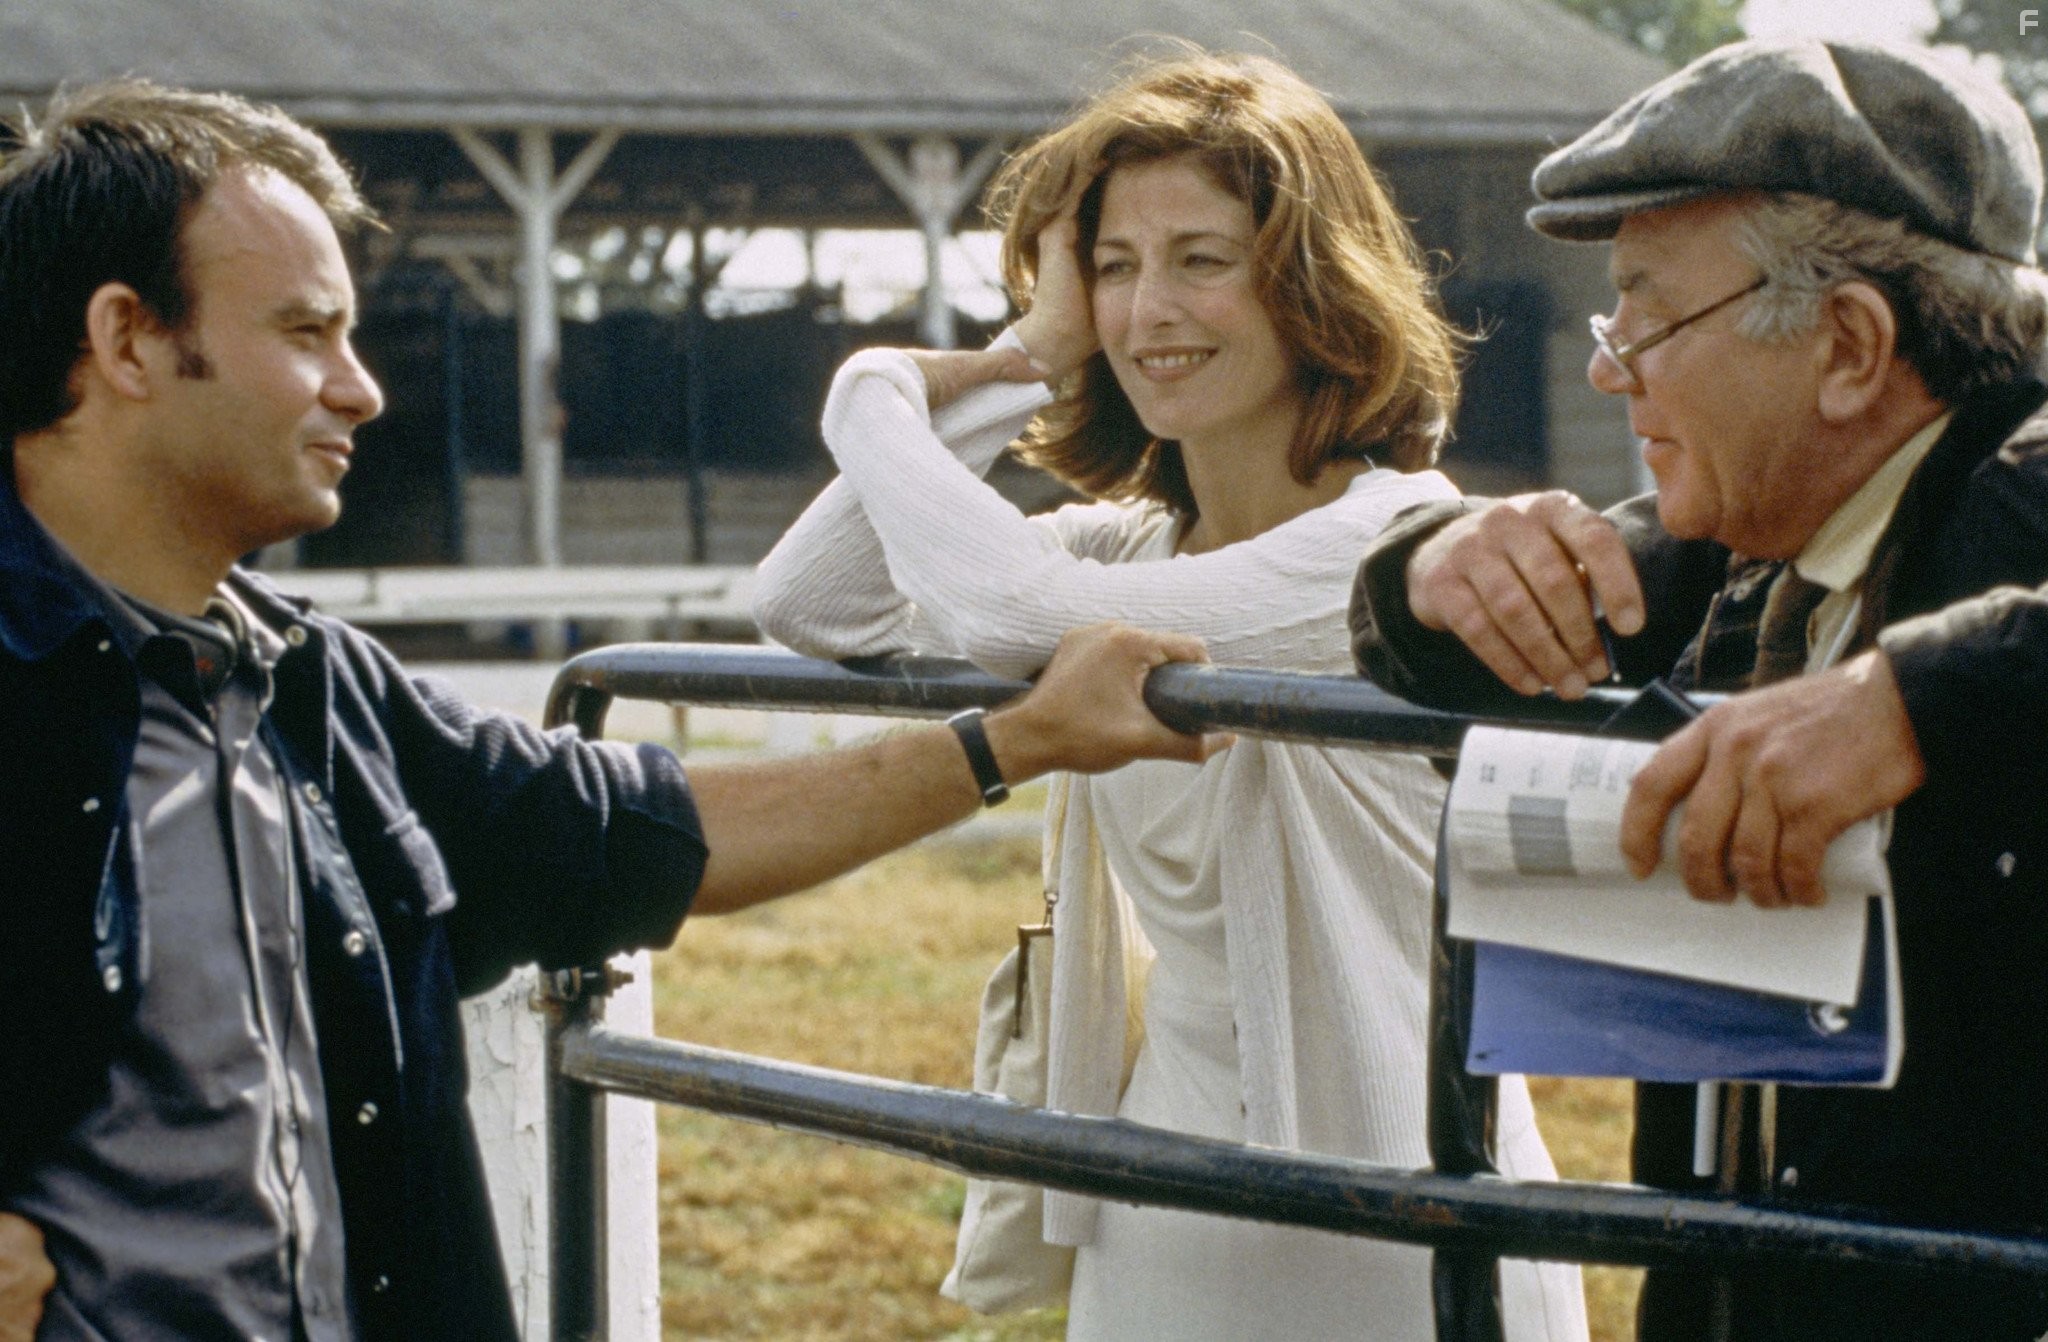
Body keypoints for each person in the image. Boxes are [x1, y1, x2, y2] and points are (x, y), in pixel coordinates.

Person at [0, 80, 1229, 1342]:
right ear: (129, 340)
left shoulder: (314, 692)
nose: (359, 388)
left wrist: (1014, 741)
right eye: (306, 332)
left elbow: (630, 829)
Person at [754, 50, 1586, 1342]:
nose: (1149, 310)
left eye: (1202, 258)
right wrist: (1025, 359)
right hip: (1165, 1180)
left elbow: (1011, 616)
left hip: (1396, 1199)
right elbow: (811, 598)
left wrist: (871, 386)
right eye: (1114, 265)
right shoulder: (1126, 548)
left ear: (1309, 281)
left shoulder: (1388, 545)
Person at [1349, 37, 2048, 1341]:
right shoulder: (1757, 531)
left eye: (1647, 316)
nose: (1611, 368)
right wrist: (1438, 561)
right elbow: (1419, 631)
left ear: (1847, 345)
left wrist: (1919, 697)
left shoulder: (2021, 493)